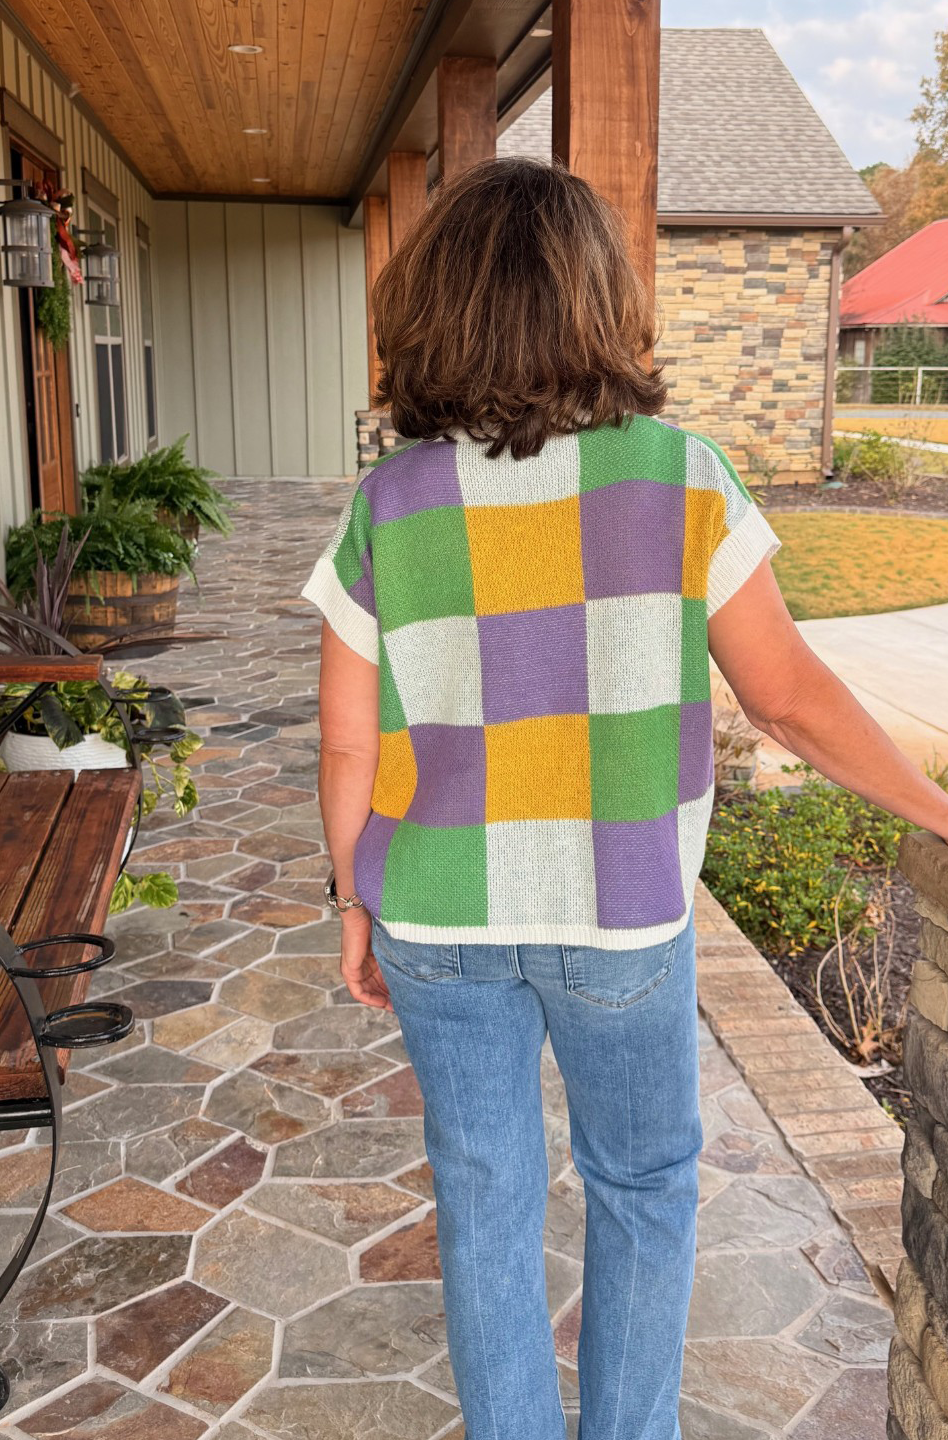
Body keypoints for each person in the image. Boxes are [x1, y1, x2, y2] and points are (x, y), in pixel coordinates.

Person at [303, 158, 948, 1440]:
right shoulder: (683, 477)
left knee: (484, 1197)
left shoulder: (390, 502)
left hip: (437, 914)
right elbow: (789, 699)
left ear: (437, 309)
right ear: (602, 301)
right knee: (645, 1187)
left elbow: (345, 744)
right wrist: (935, 807)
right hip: (619, 917)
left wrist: (351, 903)